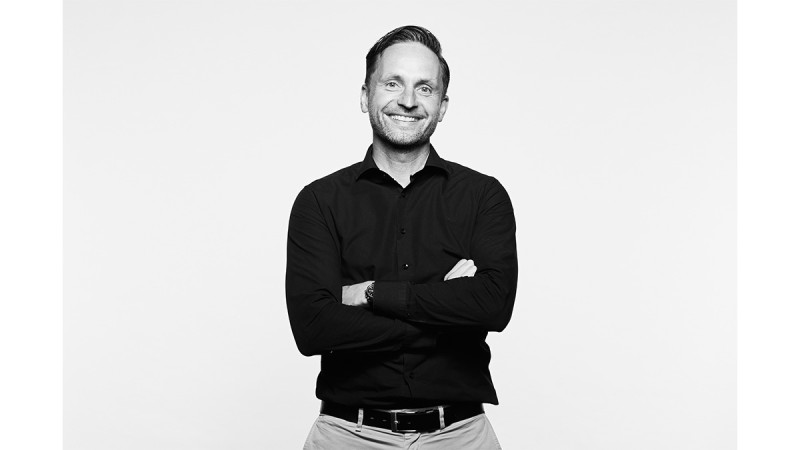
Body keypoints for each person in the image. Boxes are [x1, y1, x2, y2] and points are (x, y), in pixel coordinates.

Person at [286, 25, 518, 449]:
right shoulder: (319, 202)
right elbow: (313, 327)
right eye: (393, 83)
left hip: (460, 436)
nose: (408, 100)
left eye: (424, 88)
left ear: (443, 105)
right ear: (365, 95)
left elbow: (493, 306)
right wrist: (447, 317)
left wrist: (371, 293)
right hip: (347, 436)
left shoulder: (484, 196)